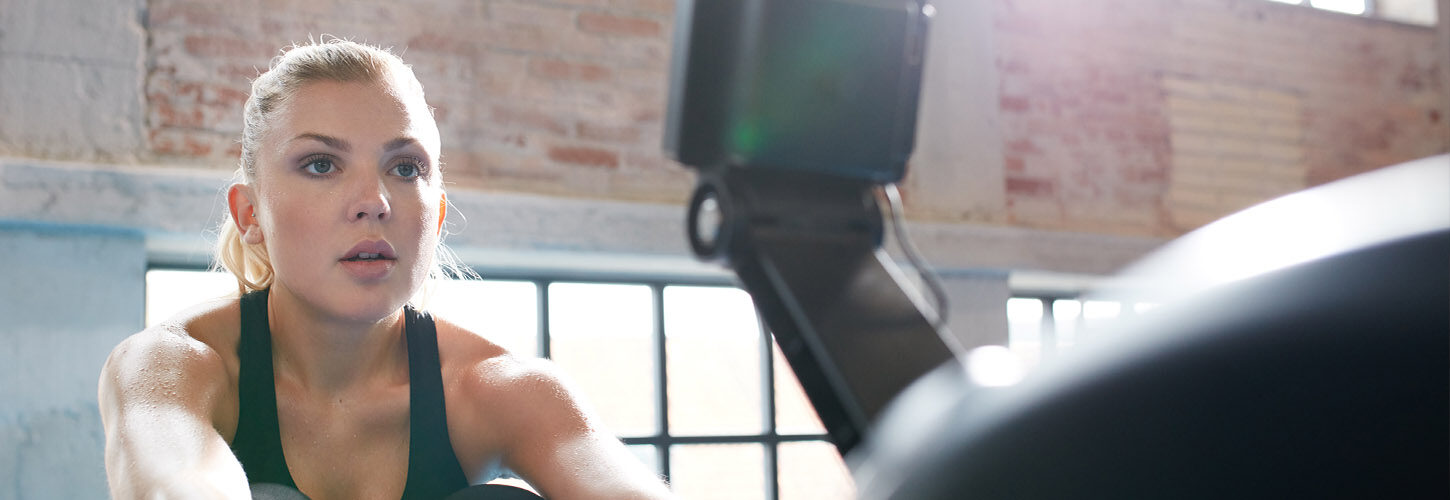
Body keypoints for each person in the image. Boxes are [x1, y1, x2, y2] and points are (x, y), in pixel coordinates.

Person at [98, 38, 675, 500]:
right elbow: (174, 485)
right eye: (321, 164)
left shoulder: (497, 386)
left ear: (439, 213)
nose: (374, 200)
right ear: (250, 214)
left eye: (405, 167)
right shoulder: (172, 364)